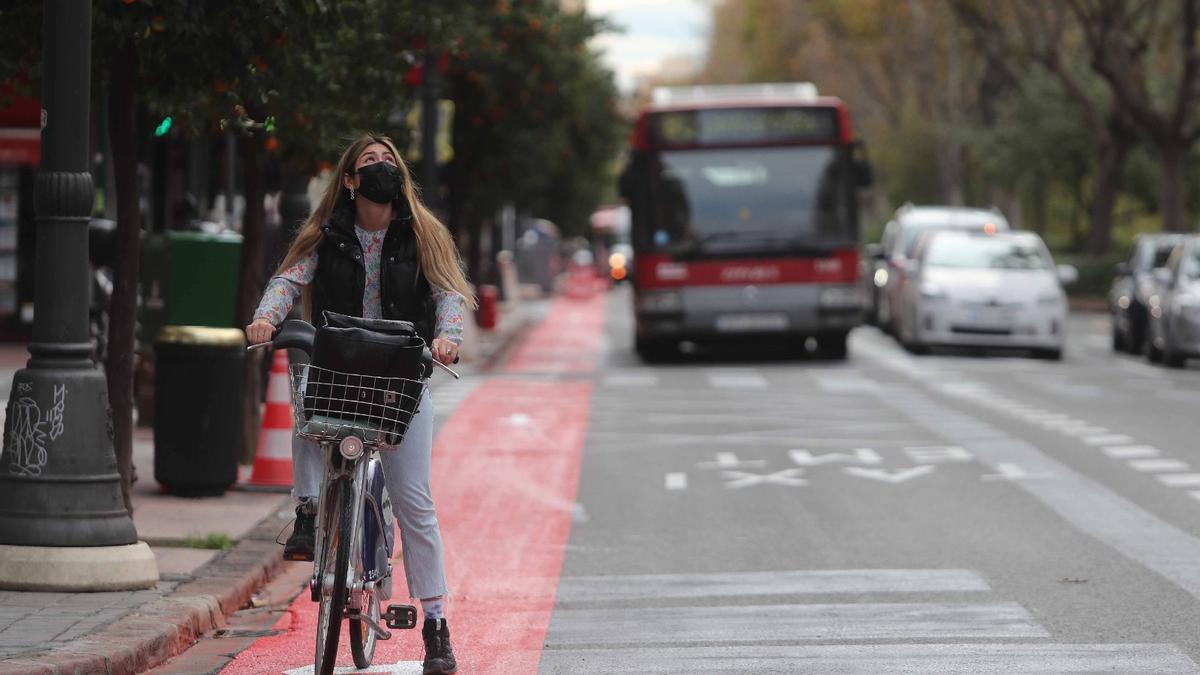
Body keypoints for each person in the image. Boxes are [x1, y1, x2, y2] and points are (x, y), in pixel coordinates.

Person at [246, 134, 474, 675]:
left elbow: (448, 294)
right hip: (340, 367)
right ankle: (307, 512)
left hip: (400, 377)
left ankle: (437, 626)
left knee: (415, 502)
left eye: (389, 161)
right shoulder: (326, 236)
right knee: (306, 401)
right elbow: (287, 279)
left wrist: (447, 336)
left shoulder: (423, 234)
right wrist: (264, 317)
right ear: (349, 180)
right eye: (369, 162)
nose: (381, 168)